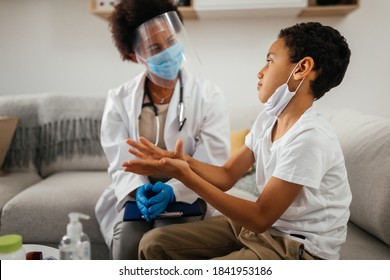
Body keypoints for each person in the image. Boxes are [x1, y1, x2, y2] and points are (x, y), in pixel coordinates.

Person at [123, 22, 353, 260]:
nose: (260, 72)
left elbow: (260, 216)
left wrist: (185, 176)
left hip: (297, 247)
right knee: (153, 243)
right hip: (265, 231)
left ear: (302, 67)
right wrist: (183, 160)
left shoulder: (310, 138)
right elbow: (226, 175)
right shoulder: (267, 119)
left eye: (270, 60)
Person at [95, 0, 230, 260]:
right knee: (128, 245)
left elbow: (212, 160)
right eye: (155, 48)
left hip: (190, 190)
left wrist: (174, 190)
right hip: (138, 195)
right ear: (136, 56)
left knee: (167, 242)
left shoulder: (209, 95)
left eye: (170, 41)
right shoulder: (119, 99)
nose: (168, 51)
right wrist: (138, 189)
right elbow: (120, 162)